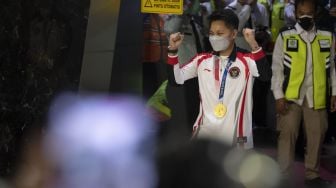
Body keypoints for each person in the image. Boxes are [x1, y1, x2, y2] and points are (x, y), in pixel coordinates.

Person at [166, 9, 271, 149]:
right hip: (205, 135)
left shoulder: (246, 60)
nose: (215, 37)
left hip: (236, 138)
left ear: (234, 34)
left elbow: (266, 75)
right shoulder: (201, 60)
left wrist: (253, 44)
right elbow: (175, 80)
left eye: (220, 33)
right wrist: (173, 51)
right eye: (211, 33)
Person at [271, 0, 336, 186]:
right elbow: (277, 69)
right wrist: (278, 96)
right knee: (287, 135)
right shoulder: (286, 36)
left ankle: (312, 175)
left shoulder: (327, 37)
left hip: (317, 95)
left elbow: (332, 68)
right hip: (290, 97)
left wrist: (334, 93)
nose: (305, 16)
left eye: (309, 12)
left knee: (317, 135)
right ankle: (283, 176)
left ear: (315, 14)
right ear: (296, 14)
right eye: (301, 12)